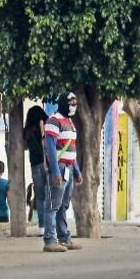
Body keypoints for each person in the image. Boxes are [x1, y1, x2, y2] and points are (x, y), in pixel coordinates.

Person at [42, 92, 83, 253]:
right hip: (59, 168)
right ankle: (50, 240)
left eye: (75, 103)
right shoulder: (53, 121)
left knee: (63, 205)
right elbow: (50, 148)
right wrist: (54, 171)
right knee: (53, 205)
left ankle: (64, 238)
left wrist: (77, 171)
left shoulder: (70, 122)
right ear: (63, 103)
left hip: (69, 168)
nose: (74, 105)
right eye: (71, 103)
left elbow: (71, 148)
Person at [25, 105, 48, 233]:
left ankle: (42, 226)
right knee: (50, 195)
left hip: (35, 166)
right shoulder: (46, 127)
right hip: (47, 164)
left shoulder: (28, 131)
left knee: (40, 197)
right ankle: (51, 224)